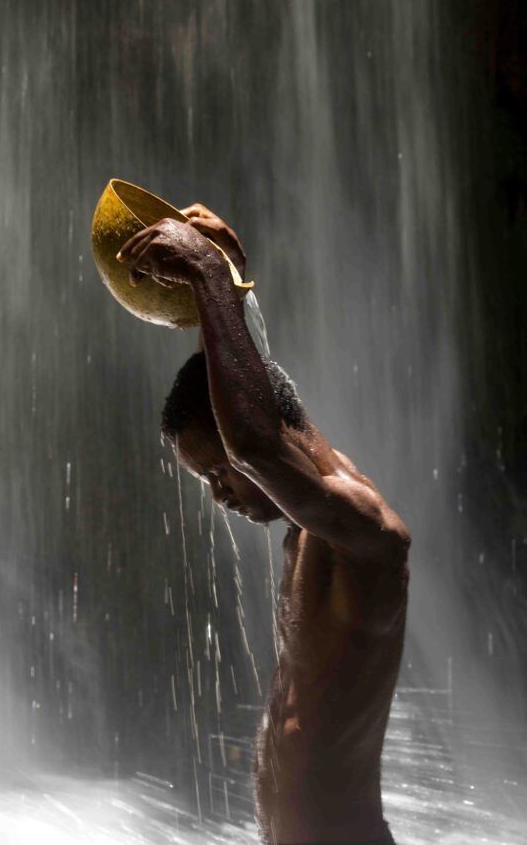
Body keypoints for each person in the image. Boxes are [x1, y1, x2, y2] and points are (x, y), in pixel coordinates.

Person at [117, 205, 410, 845]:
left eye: (220, 476)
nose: (222, 497)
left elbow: (256, 441)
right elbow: (257, 417)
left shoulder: (365, 534)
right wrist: (227, 281)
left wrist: (206, 276)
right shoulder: (310, 520)